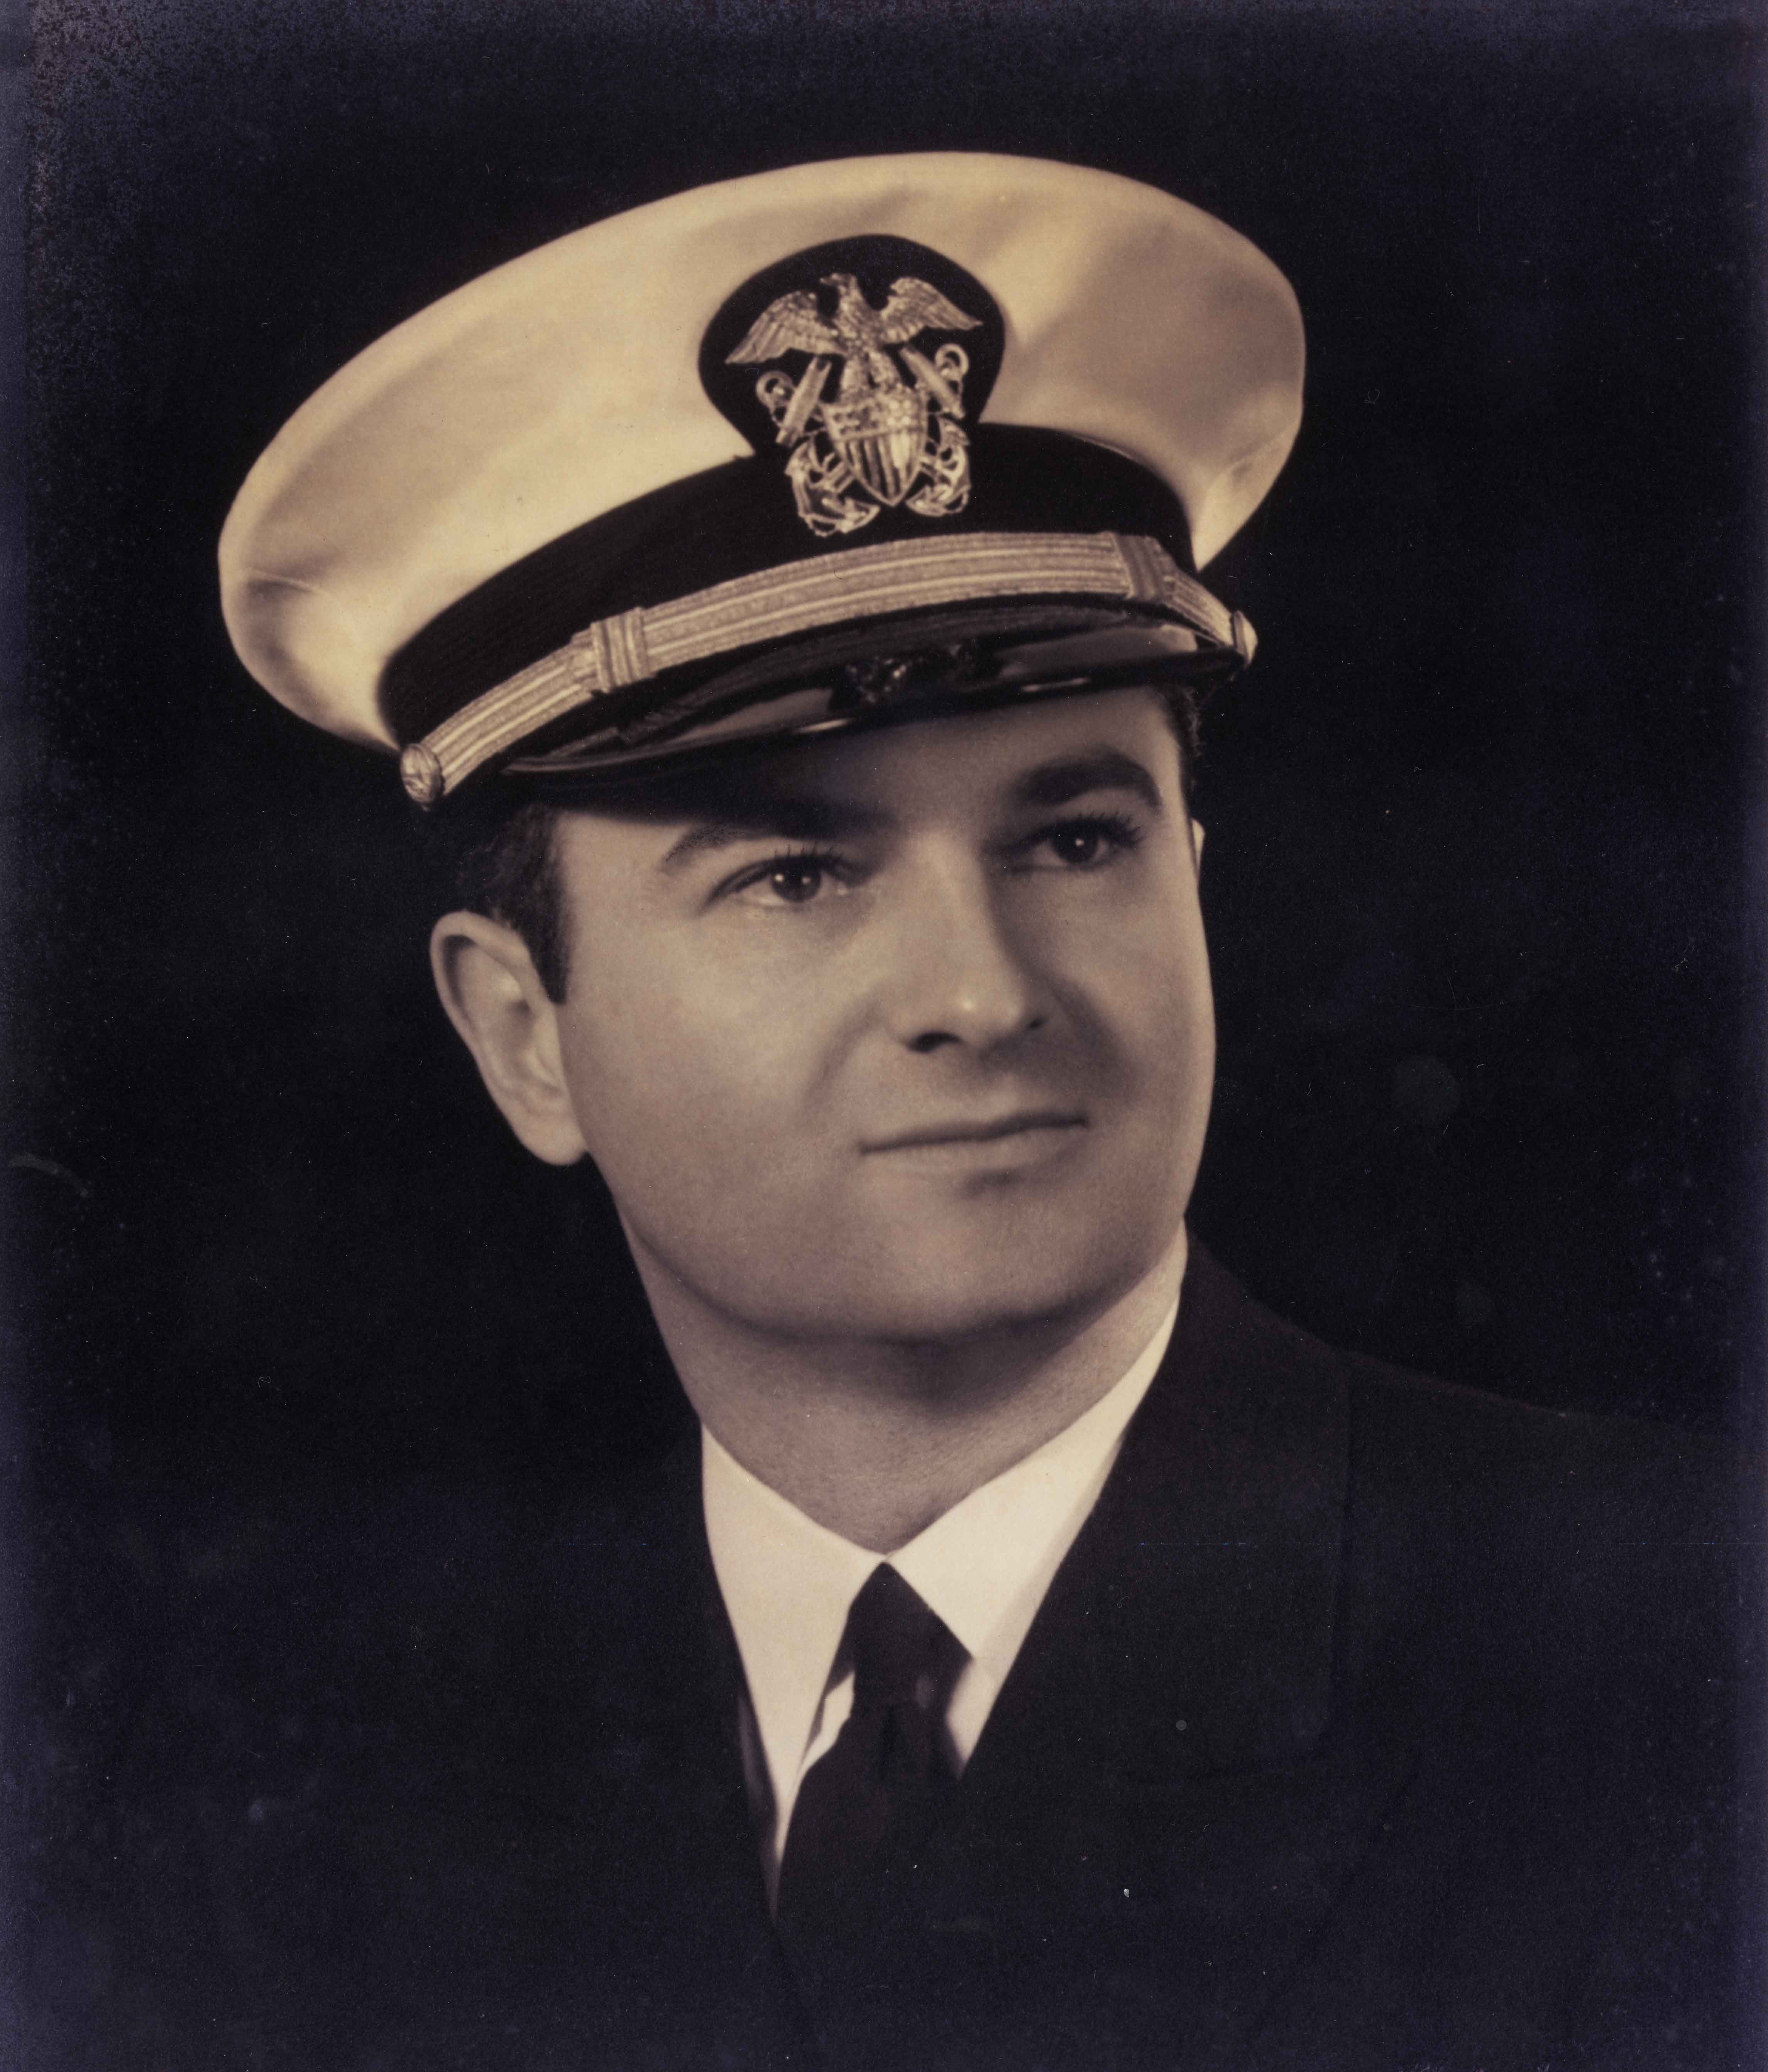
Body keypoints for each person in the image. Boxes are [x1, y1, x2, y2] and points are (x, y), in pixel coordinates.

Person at [115, 154, 1741, 2070]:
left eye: (1074, 837)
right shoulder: (296, 1792)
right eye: (798, 875)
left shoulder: (1681, 1652)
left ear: (1193, 877)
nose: (982, 992)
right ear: (523, 1035)